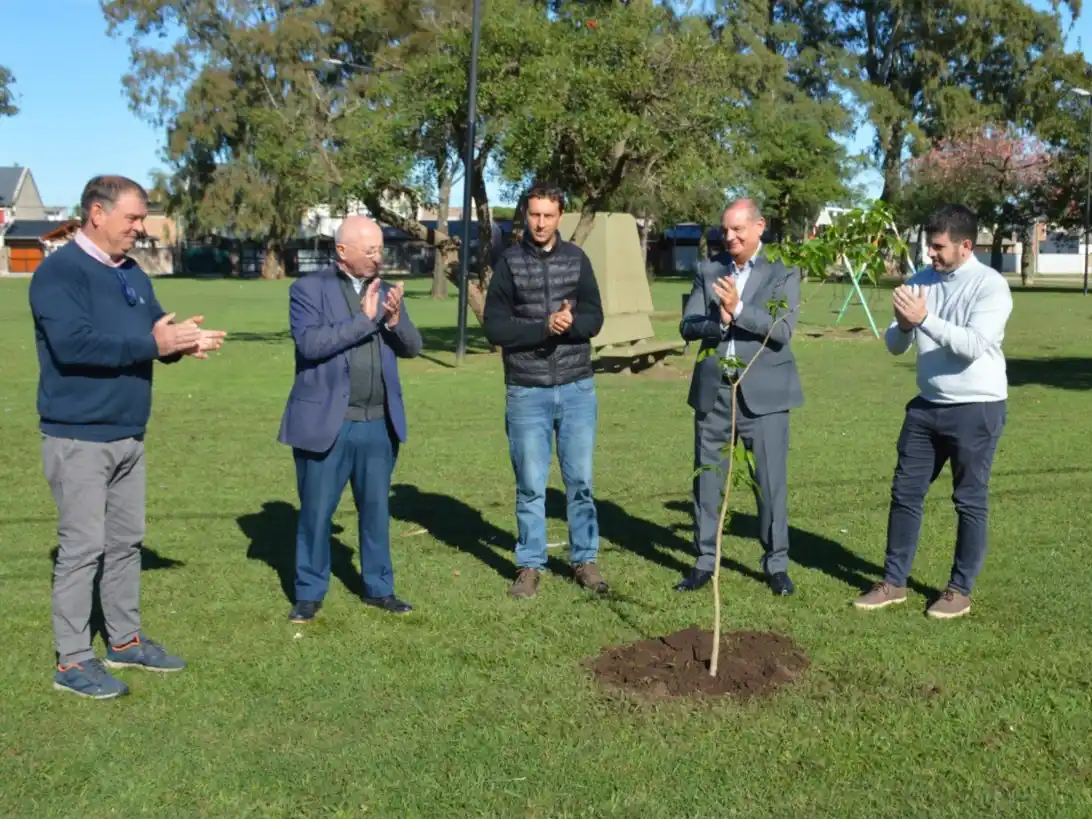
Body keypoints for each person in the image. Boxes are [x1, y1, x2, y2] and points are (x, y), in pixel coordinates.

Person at [29, 174, 226, 699]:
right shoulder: (58, 272)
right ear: (97, 213)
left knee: (124, 543)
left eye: (141, 219)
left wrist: (181, 342)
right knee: (82, 549)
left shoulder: (133, 274)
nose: (140, 229)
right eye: (132, 218)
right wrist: (153, 341)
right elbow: (75, 345)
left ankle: (124, 639)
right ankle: (72, 662)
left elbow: (151, 335)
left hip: (129, 434)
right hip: (79, 438)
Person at [854, 204, 1012, 619]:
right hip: (926, 407)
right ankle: (893, 582)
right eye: (929, 246)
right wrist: (904, 325)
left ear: (965, 245)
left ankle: (958, 589)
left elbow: (973, 345)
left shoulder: (991, 286)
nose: (931, 255)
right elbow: (894, 346)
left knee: (968, 501)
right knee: (905, 494)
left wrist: (923, 318)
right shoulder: (921, 281)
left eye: (939, 247)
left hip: (976, 407)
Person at [278, 214, 422, 624]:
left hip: (378, 423)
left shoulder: (390, 291)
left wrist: (393, 321)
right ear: (342, 251)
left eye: (381, 249)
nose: (379, 257)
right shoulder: (307, 290)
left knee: (376, 510)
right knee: (316, 512)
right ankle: (308, 593)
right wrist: (365, 319)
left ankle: (380, 589)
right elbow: (312, 344)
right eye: (371, 250)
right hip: (328, 423)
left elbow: (413, 347)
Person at [482, 181, 607, 599]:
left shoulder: (577, 259)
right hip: (527, 390)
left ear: (560, 216)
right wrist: (541, 328)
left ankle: (585, 560)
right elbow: (495, 325)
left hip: (576, 387)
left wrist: (572, 324)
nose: (540, 222)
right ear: (526, 215)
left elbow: (595, 317)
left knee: (581, 482)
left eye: (548, 215)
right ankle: (529, 565)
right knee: (531, 483)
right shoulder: (509, 263)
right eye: (534, 214)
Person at [678, 199, 803, 596]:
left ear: (759, 226)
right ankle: (704, 562)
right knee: (707, 482)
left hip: (764, 397)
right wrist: (718, 322)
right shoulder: (708, 269)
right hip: (714, 394)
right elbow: (688, 325)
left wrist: (739, 308)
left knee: (769, 484)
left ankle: (776, 564)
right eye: (725, 231)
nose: (729, 237)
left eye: (738, 230)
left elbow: (781, 330)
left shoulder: (784, 272)